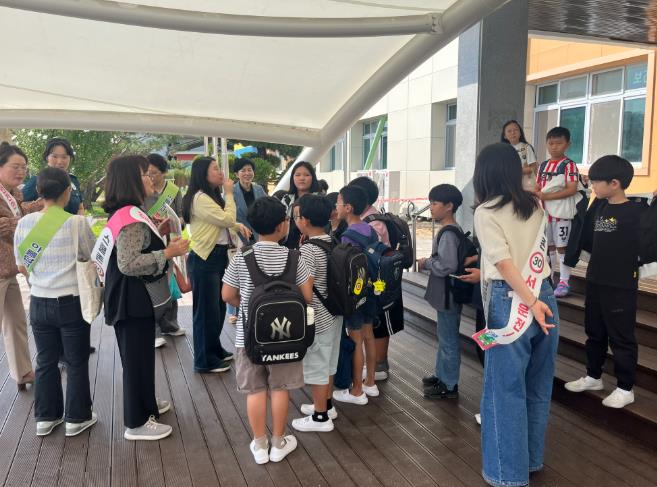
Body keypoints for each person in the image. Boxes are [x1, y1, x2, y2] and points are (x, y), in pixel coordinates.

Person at [474, 143, 558, 487]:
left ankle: (507, 474)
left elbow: (503, 261)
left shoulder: (486, 210)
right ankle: (531, 459)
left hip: (512, 301)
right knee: (538, 383)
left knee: (504, 389)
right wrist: (537, 299)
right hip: (545, 294)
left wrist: (529, 300)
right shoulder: (534, 205)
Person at [101, 155, 189, 440]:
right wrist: (167, 252)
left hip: (129, 297)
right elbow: (128, 263)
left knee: (140, 357)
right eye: (143, 174)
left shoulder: (128, 212)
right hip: (131, 298)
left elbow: (131, 250)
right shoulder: (130, 217)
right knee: (136, 360)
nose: (150, 178)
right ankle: (136, 422)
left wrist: (157, 233)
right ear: (131, 180)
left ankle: (147, 405)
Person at [222, 196, 312, 464]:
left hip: (249, 338)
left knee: (256, 390)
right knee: (281, 388)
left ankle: (259, 445)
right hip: (287, 339)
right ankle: (278, 443)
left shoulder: (242, 257)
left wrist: (247, 307)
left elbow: (227, 294)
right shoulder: (294, 257)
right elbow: (307, 296)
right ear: (282, 225)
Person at [14, 167, 96, 437]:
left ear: (39, 191)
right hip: (71, 302)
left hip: (39, 302)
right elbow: (91, 256)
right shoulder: (77, 223)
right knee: (75, 361)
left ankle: (45, 418)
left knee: (46, 360)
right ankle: (76, 418)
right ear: (67, 191)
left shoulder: (24, 223)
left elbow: (22, 265)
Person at [564, 156, 645, 409]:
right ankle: (593, 376)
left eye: (596, 182)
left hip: (621, 285)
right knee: (594, 331)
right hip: (595, 280)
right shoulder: (599, 207)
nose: (593, 186)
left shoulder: (636, 212)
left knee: (621, 336)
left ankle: (625, 388)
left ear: (615, 183)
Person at [182, 157, 251, 374]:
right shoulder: (200, 198)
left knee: (218, 308)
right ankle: (204, 360)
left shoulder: (210, 196)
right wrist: (229, 194)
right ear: (203, 174)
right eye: (215, 169)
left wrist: (236, 224)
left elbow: (222, 221)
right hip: (205, 258)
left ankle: (213, 349)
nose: (220, 172)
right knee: (206, 311)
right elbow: (227, 219)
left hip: (217, 256)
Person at [292, 195, 343, 432]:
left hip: (319, 318)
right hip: (336, 313)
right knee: (329, 362)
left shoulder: (309, 250)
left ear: (305, 220)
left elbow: (307, 292)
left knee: (317, 365)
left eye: (297, 216)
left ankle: (320, 417)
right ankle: (327, 405)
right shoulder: (332, 241)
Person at [349, 176, 403, 382]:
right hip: (376, 280)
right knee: (373, 324)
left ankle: (379, 365)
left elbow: (372, 254)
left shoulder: (371, 223)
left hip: (378, 281)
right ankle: (375, 365)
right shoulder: (369, 217)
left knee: (378, 323)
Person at [0, 142, 41, 391]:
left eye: (24, 167)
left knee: (16, 322)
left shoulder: (14, 192)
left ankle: (23, 372)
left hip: (9, 269)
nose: (21, 172)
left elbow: (17, 214)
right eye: (15, 166)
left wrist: (37, 206)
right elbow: (8, 223)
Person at [332, 185, 379, 405]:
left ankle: (357, 390)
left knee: (356, 338)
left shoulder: (347, 236)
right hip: (371, 290)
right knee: (369, 335)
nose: (336, 206)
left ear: (348, 207)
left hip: (355, 294)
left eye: (339, 203)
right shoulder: (370, 229)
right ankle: (370, 382)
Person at [418, 184, 464, 400]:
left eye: (435, 203)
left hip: (448, 293)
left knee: (448, 338)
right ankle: (441, 374)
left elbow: (447, 265)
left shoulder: (448, 233)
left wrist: (426, 263)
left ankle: (449, 384)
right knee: (445, 335)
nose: (431, 207)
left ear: (449, 206)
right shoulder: (453, 229)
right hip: (447, 293)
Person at [145, 153, 186, 347]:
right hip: (150, 243)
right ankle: (153, 330)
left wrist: (177, 222)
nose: (151, 177)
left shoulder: (173, 191)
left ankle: (170, 323)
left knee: (170, 282)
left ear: (163, 172)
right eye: (147, 173)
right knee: (152, 285)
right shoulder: (143, 192)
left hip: (170, 242)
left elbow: (181, 215)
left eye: (154, 173)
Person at [535, 126, 580, 298]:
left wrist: (547, 196)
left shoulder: (569, 165)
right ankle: (551, 278)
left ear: (567, 144)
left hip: (562, 214)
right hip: (545, 214)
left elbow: (572, 189)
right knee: (550, 247)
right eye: (551, 143)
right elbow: (538, 186)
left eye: (559, 143)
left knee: (562, 248)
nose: (554, 147)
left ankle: (564, 281)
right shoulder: (543, 165)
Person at [228, 158, 268, 324]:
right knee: (239, 274)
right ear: (236, 174)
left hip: (259, 235)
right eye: (243, 170)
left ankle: (258, 304)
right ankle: (235, 311)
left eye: (249, 170)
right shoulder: (231, 192)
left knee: (257, 274)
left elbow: (267, 208)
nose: (247, 173)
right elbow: (228, 215)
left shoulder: (259, 189)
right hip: (239, 237)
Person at [22, 138, 84, 215]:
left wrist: (78, 220)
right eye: (54, 156)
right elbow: (20, 207)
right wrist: (36, 206)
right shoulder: (36, 180)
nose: (59, 161)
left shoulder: (73, 181)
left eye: (64, 157)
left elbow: (80, 208)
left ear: (70, 158)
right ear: (47, 157)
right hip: (45, 222)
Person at [276, 162, 320, 249]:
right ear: (292, 178)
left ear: (313, 178)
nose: (302, 178)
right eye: (297, 175)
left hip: (312, 246)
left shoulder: (319, 199)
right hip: (286, 246)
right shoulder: (286, 199)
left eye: (306, 175)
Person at [501, 120, 537, 191]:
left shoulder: (526, 147)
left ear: (520, 133)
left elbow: (534, 167)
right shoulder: (503, 150)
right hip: (508, 185)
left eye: (516, 130)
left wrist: (517, 171)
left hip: (525, 185)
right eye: (509, 131)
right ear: (504, 136)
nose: (513, 133)